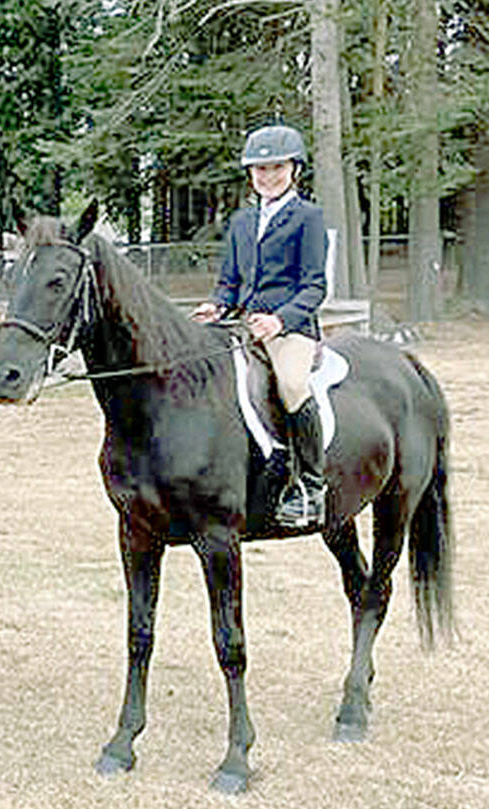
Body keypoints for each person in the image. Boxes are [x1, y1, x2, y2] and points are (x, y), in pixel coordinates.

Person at [191, 124, 328, 527]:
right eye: (260, 170)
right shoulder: (242, 221)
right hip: (244, 326)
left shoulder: (309, 217)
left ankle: (311, 485)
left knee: (290, 384)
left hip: (291, 328)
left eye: (277, 168)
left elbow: (315, 285)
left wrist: (280, 320)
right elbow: (230, 282)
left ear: (294, 170)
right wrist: (217, 305)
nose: (268, 177)